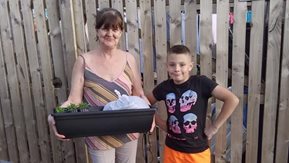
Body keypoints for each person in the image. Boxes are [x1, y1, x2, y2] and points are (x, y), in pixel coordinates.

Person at [48, 8, 149, 163]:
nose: (110, 33)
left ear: (121, 32)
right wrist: (55, 116)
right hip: (98, 135)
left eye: (115, 29)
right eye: (105, 28)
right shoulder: (83, 62)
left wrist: (150, 115)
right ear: (97, 31)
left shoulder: (129, 59)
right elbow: (74, 100)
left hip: (128, 131)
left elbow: (139, 95)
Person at [146, 45, 239, 163]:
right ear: (167, 66)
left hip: (197, 152)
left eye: (182, 64)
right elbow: (144, 103)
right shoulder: (165, 87)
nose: (177, 69)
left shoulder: (201, 83)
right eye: (172, 64)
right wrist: (159, 122)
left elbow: (232, 99)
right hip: (172, 150)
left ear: (190, 66)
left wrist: (214, 127)